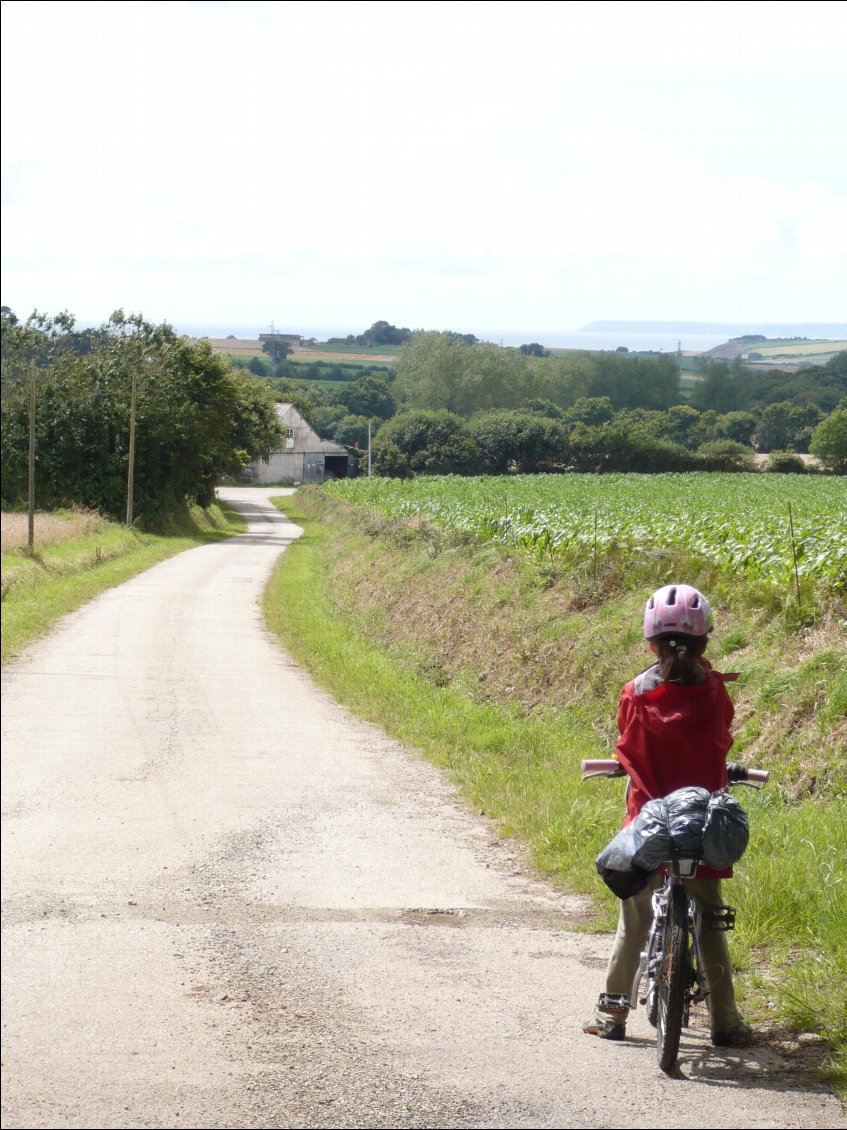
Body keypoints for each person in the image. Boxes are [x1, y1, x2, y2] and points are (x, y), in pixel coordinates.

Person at [582, 583, 753, 1047]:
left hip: (650, 826)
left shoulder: (634, 693)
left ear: (651, 642)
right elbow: (721, 739)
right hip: (702, 824)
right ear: (704, 641)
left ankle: (612, 1013)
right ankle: (726, 1021)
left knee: (635, 920)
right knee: (710, 918)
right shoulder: (715, 692)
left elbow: (628, 745)